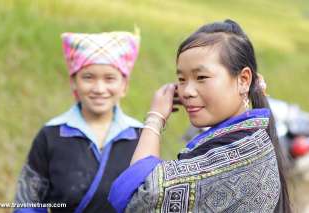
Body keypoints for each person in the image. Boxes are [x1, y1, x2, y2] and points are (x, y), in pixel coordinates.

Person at [108, 20, 291, 212]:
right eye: (181, 79)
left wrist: (155, 119)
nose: (186, 91)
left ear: (243, 80)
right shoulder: (251, 142)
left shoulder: (236, 154)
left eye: (201, 77)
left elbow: (139, 195)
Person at [14, 30, 142, 213]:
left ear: (124, 86)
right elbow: (27, 202)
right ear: (73, 82)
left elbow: (153, 202)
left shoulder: (141, 136)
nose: (99, 88)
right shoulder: (51, 135)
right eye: (88, 77)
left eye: (110, 78)